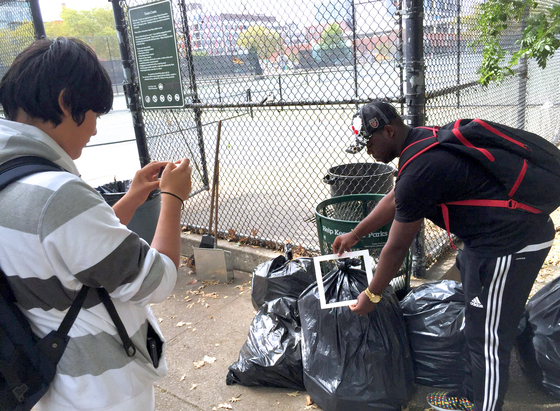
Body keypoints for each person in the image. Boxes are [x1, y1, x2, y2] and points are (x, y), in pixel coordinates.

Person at [0, 37, 192, 410]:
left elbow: (74, 253)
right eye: (94, 114)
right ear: (65, 102)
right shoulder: (58, 197)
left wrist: (134, 195)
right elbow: (159, 278)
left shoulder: (14, 179)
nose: (95, 130)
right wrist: (173, 198)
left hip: (45, 380)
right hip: (102, 390)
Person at [332, 101, 555, 411]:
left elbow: (396, 249)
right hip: (488, 239)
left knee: (488, 338)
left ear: (389, 130)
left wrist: (373, 293)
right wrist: (355, 234)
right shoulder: (421, 141)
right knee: (478, 322)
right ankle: (469, 393)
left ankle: (483, 403)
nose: (368, 152)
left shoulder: (420, 168)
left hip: (511, 243)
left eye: (369, 143)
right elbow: (396, 197)